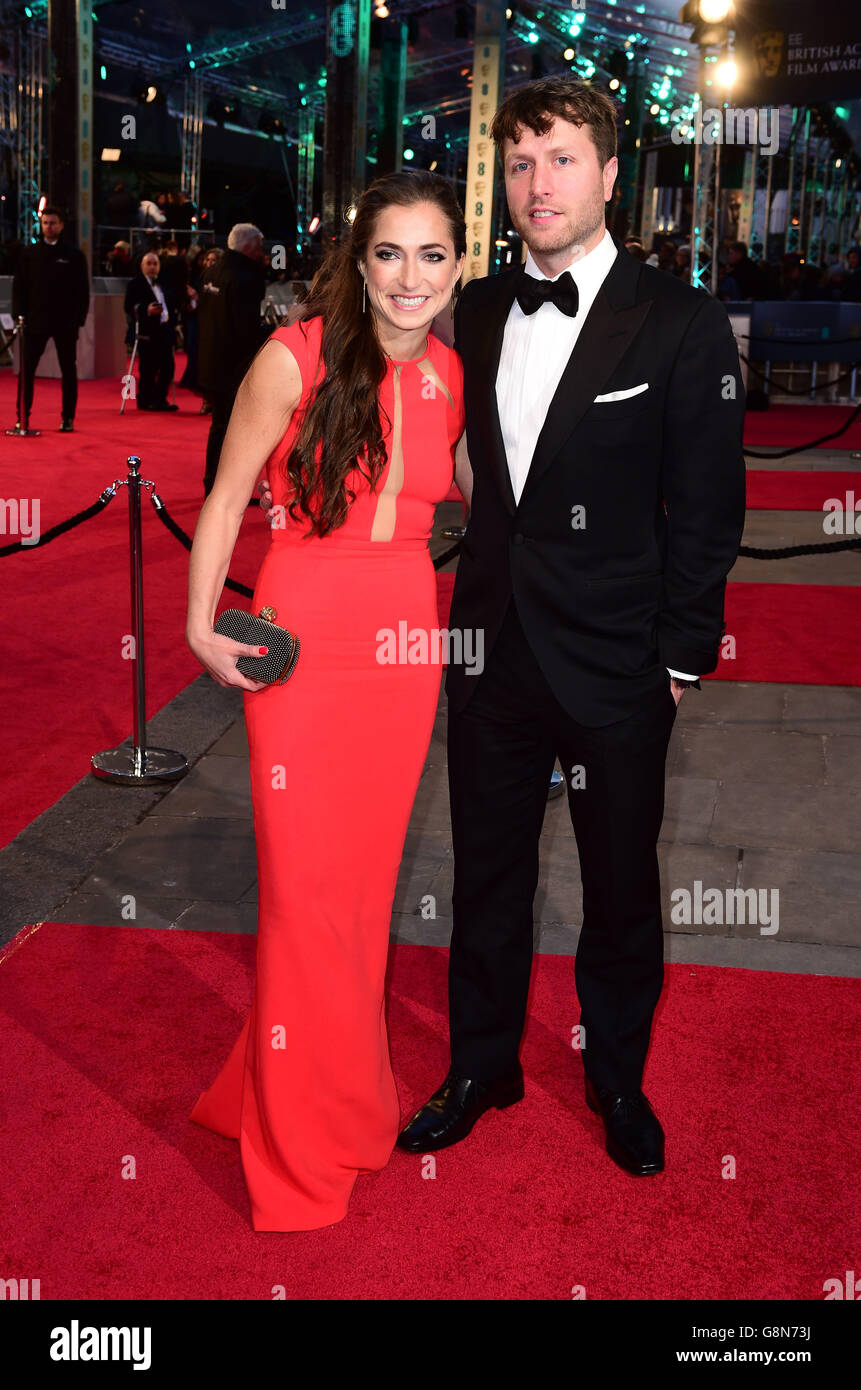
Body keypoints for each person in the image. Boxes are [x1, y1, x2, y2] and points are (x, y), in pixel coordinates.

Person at [396, 77, 746, 1176]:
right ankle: (482, 1064)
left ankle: (617, 1077)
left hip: (618, 663)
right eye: (519, 163)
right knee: (487, 871)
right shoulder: (482, 307)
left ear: (607, 174)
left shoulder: (680, 321)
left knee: (620, 887)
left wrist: (679, 662)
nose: (537, 184)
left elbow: (710, 506)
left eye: (559, 159)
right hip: (492, 649)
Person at [185, 170, 467, 1231]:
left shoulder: (450, 372)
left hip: (405, 644)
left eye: (432, 255)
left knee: (359, 894)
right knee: (304, 895)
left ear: (456, 266)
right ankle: (298, 1148)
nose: (410, 277)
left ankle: (344, 1103)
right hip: (305, 644)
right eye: (389, 253)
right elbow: (222, 497)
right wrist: (200, 623)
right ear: (358, 258)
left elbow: (491, 493)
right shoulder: (292, 355)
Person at [197, 223, 269, 495]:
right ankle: (222, 488)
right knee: (232, 429)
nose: (262, 252)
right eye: (259, 246)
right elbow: (247, 328)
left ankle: (213, 483)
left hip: (210, 362)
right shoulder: (246, 277)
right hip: (235, 366)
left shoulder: (210, 272)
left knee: (220, 426)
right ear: (249, 246)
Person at [11, 205, 90, 432]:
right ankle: (22, 416)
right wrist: (19, 315)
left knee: (68, 371)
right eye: (45, 223)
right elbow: (20, 287)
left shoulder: (74, 256)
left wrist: (78, 319)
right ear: (41, 225)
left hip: (66, 323)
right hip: (35, 322)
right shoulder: (29, 254)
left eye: (53, 223)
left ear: (61, 225)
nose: (49, 226)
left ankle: (68, 417)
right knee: (27, 372)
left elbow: (82, 291)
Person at [123, 250, 178, 411]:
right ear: (141, 266)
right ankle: (145, 400)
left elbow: (172, 302)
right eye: (149, 263)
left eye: (155, 264)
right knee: (148, 368)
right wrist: (146, 310)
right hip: (146, 331)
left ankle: (160, 399)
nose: (152, 267)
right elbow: (128, 307)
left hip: (165, 330)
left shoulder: (164, 282)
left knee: (168, 367)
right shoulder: (135, 283)